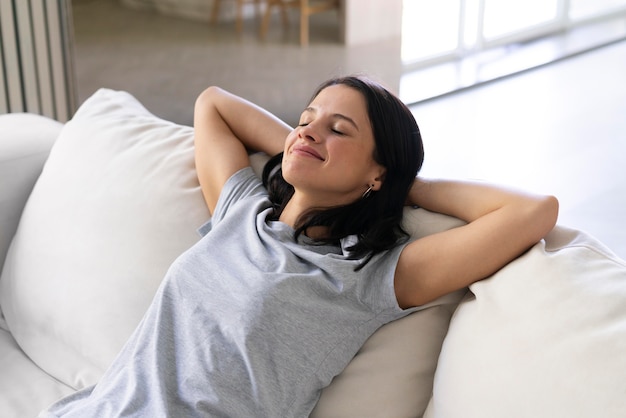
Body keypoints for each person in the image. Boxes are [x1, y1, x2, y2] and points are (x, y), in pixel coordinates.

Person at [40, 76, 558, 417]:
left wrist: (401, 185)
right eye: (307, 118)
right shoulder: (240, 211)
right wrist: (306, 142)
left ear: (378, 169)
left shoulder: (364, 276)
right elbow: (213, 104)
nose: (309, 132)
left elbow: (532, 212)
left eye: (339, 130)